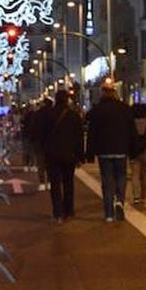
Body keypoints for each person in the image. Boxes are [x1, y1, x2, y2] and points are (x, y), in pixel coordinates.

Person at [84, 82, 134, 222]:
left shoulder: (98, 110)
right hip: (121, 148)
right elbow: (131, 130)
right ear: (114, 92)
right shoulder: (124, 109)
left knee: (107, 181)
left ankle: (109, 213)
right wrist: (133, 149)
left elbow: (92, 132)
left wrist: (89, 153)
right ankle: (120, 201)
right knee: (121, 177)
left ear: (103, 93)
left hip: (104, 150)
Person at [40, 89, 84, 223]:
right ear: (67, 100)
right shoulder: (73, 116)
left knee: (55, 184)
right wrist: (80, 156)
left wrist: (44, 149)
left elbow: (41, 134)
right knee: (68, 182)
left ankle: (58, 212)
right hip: (69, 154)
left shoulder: (48, 115)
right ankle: (69, 210)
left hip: (52, 154)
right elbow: (79, 137)